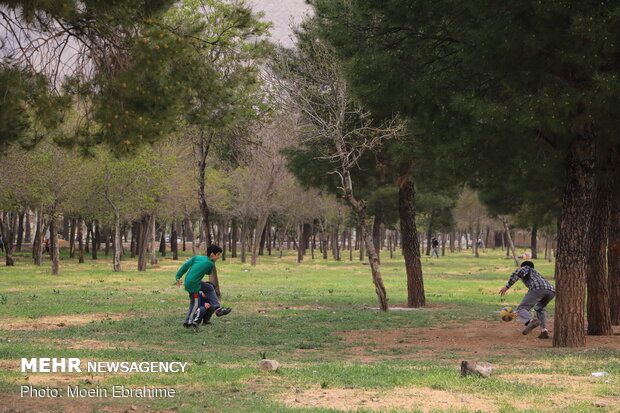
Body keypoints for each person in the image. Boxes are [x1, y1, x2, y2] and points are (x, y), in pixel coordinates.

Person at [175, 244, 231, 328]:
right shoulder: (210, 264)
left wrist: (178, 276)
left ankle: (217, 308)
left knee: (209, 287)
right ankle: (188, 322)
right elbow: (208, 272)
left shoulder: (197, 257)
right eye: (218, 255)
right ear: (212, 254)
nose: (218, 257)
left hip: (191, 281)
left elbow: (186, 265)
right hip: (193, 285)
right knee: (195, 304)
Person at [499, 261, 555, 339]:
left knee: (521, 308)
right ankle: (544, 331)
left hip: (538, 288)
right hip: (551, 291)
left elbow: (518, 273)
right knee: (539, 309)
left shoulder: (526, 268)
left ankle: (532, 321)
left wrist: (507, 287)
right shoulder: (537, 274)